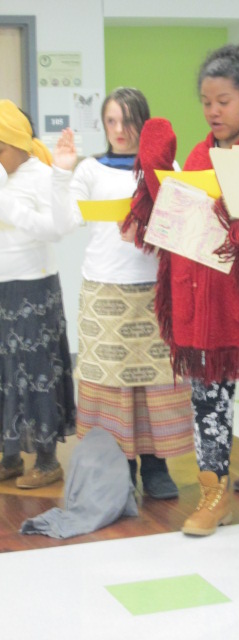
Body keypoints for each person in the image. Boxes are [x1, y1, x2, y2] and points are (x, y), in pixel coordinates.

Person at [123, 45, 239, 536]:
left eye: (223, 101)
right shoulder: (202, 153)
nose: (212, 111)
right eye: (206, 102)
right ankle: (214, 497)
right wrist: (159, 181)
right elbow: (182, 228)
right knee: (208, 406)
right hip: (204, 307)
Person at [51, 88, 194, 500]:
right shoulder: (90, 170)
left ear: (143, 123)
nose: (118, 130)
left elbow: (185, 229)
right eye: (111, 121)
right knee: (112, 385)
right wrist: (61, 172)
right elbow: (63, 224)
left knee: (156, 383)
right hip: (104, 290)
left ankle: (156, 464)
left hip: (154, 292)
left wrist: (147, 230)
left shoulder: (164, 167)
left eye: (127, 121)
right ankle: (120, 468)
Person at [0, 99, 76, 488]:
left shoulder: (41, 175)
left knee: (36, 371)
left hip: (33, 287)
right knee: (4, 372)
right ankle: (9, 456)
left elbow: (56, 229)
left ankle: (47, 461)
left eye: (0, 148)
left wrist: (8, 205)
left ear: (17, 143)